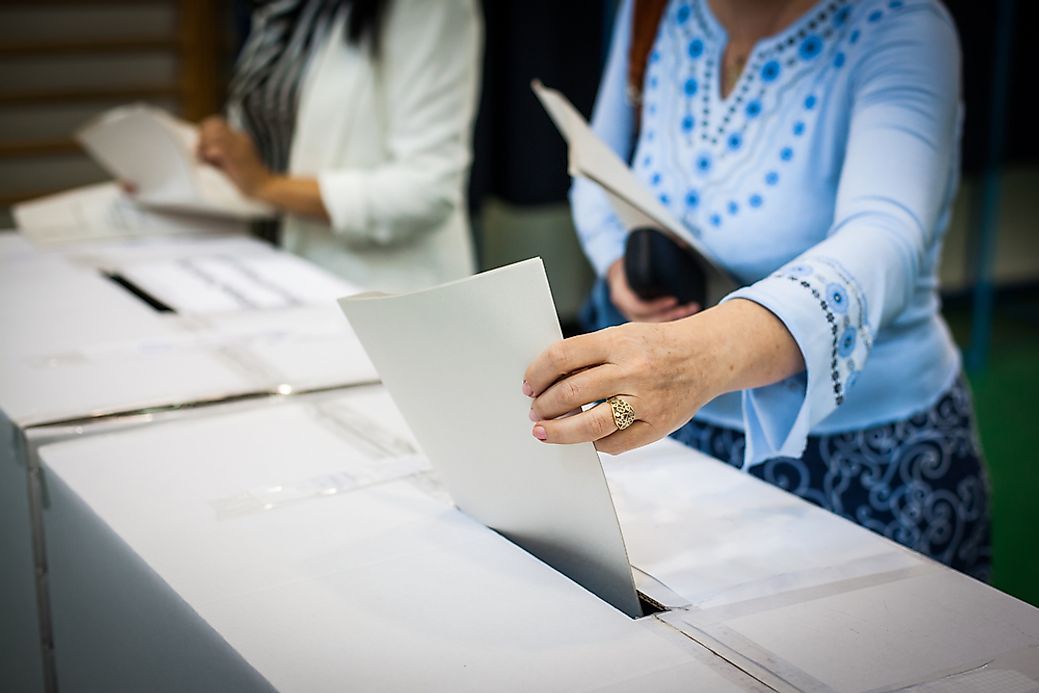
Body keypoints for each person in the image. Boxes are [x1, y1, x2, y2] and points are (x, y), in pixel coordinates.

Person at [523, 0, 990, 579]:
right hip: (677, 438)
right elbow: (594, 162)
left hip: (863, 452)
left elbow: (886, 234)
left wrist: (700, 355)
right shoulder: (652, 11)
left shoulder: (901, 24)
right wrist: (620, 267)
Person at [196, 0, 482, 292]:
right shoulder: (285, 10)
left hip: (379, 290)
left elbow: (427, 189)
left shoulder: (429, 8)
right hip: (273, 269)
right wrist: (226, 146)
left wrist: (266, 186)